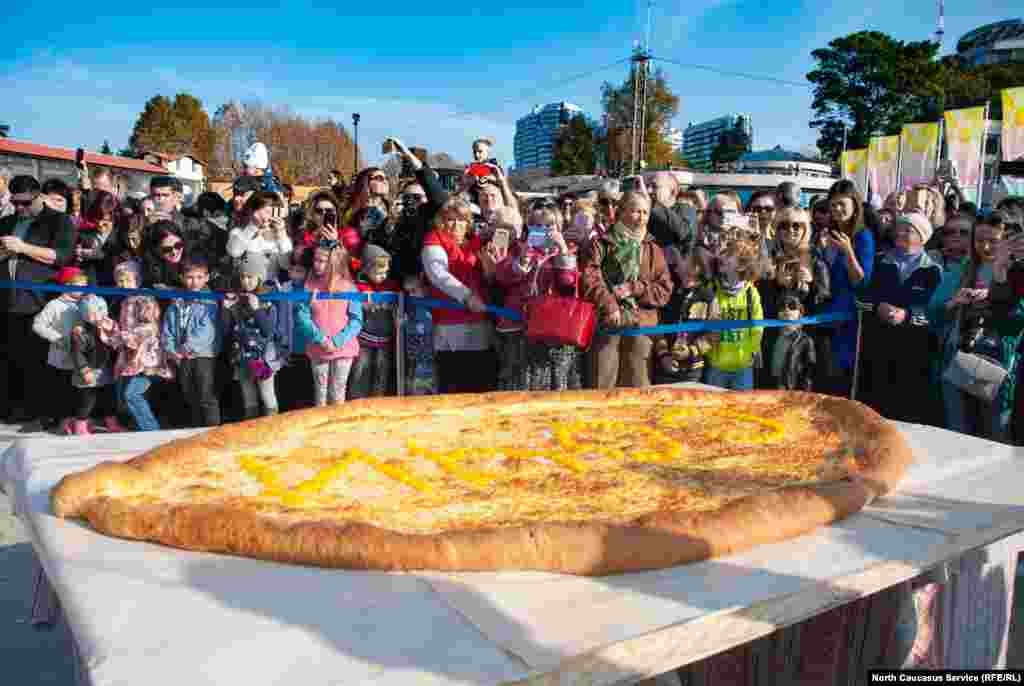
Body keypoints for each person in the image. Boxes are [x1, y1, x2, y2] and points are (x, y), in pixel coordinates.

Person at [0, 175, 77, 424]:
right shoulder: (6, 221)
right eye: (15, 202)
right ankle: (14, 409)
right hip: (8, 300)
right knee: (11, 359)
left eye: (25, 203)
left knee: (40, 361)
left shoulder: (59, 221)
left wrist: (23, 247)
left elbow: (62, 256)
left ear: (39, 197)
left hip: (40, 302)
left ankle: (45, 412)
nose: (20, 208)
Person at [580, 191, 673, 389]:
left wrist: (635, 288)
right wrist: (610, 305)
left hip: (641, 325)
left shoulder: (653, 249)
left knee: (637, 389)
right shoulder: (601, 244)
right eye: (636, 211)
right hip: (607, 323)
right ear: (621, 212)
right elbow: (590, 280)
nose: (642, 217)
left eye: (645, 212)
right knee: (601, 386)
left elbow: (664, 290)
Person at [858, 213, 941, 423]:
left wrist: (907, 316)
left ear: (922, 237)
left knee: (905, 414)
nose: (900, 233)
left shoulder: (934, 271)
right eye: (899, 228)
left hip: (913, 354)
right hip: (876, 349)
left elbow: (935, 315)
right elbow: (858, 299)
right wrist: (876, 308)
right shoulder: (878, 261)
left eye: (908, 230)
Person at [494, 203, 582, 392]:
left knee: (550, 382)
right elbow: (501, 276)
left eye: (549, 225)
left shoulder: (568, 249)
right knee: (517, 381)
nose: (543, 230)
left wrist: (563, 251)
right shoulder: (517, 247)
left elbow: (568, 284)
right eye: (536, 225)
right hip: (518, 325)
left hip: (551, 328)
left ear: (559, 227)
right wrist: (523, 261)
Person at [935, 212, 1007, 437]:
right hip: (960, 355)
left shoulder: (1014, 272)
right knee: (957, 428)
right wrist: (956, 301)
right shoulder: (964, 268)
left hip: (998, 361)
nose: (985, 247)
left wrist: (996, 296)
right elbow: (934, 310)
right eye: (979, 240)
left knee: (993, 433)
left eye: (993, 241)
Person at [421, 197, 496, 394]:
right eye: (450, 219)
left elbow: (489, 278)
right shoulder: (434, 240)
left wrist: (490, 267)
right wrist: (467, 296)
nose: (456, 224)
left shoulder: (476, 244)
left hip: (481, 324)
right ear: (441, 221)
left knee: (482, 388)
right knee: (454, 387)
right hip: (451, 325)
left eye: (461, 219)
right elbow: (438, 274)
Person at [106, 259, 174, 431]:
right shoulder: (124, 301)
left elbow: (149, 327)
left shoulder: (143, 299)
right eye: (120, 280)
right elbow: (122, 330)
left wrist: (127, 336)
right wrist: (112, 331)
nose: (124, 284)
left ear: (137, 279)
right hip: (131, 355)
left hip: (147, 355)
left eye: (128, 280)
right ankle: (141, 425)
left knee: (132, 394)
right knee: (128, 394)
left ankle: (151, 429)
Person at [294, 243, 363, 406]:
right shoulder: (309, 286)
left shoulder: (349, 287)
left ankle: (338, 423)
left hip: (343, 349)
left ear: (334, 263)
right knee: (321, 393)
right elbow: (302, 316)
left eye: (322, 261)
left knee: (337, 393)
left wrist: (337, 341)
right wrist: (321, 339)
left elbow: (356, 320)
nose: (316, 264)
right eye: (315, 260)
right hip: (318, 348)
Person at [222, 251, 289, 419]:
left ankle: (272, 427)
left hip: (262, 358)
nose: (246, 281)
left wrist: (257, 309)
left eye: (250, 277)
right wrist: (226, 309)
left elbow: (268, 330)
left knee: (267, 395)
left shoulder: (268, 300)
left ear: (260, 277)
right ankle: (250, 426)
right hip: (241, 357)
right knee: (248, 397)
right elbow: (227, 328)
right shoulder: (237, 298)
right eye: (243, 277)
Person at [823, 187, 874, 397]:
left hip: (848, 319)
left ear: (854, 206)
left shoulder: (863, 236)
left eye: (842, 204)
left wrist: (848, 251)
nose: (837, 209)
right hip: (825, 313)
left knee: (841, 378)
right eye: (833, 204)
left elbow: (861, 281)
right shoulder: (828, 232)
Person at [160, 254, 222, 427]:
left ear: (206, 277)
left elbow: (207, 330)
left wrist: (186, 348)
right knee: (189, 394)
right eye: (190, 277)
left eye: (199, 277)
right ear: (182, 277)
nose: (194, 282)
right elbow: (168, 327)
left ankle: (212, 429)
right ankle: (196, 429)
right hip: (182, 356)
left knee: (206, 395)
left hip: (203, 355)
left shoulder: (209, 300)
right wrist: (172, 349)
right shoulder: (177, 302)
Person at [703, 237, 765, 391]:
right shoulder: (712, 288)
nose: (722, 257)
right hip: (716, 365)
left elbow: (758, 326)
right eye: (723, 253)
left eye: (729, 254)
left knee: (742, 406)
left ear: (742, 264)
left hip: (742, 367)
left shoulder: (751, 293)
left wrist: (750, 352)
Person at [31, 267, 88, 433]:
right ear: (67, 285)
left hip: (83, 357)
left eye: (85, 285)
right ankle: (62, 421)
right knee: (63, 390)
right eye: (79, 285)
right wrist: (57, 338)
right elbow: (38, 324)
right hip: (61, 356)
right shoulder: (54, 305)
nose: (83, 289)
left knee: (81, 391)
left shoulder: (85, 303)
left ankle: (79, 420)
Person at [653, 250, 716, 386]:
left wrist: (691, 351)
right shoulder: (669, 292)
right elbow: (658, 325)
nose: (678, 261)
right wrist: (663, 355)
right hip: (664, 368)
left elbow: (713, 335)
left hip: (692, 371)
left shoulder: (708, 297)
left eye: (684, 259)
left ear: (696, 267)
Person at [349, 244, 401, 399]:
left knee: (381, 372)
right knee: (360, 371)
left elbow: (399, 303)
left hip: (385, 338)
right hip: (365, 338)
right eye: (378, 273)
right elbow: (356, 303)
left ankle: (378, 402)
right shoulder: (360, 286)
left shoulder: (391, 285)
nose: (383, 276)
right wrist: (366, 303)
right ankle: (357, 401)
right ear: (366, 269)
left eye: (385, 272)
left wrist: (393, 305)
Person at [68, 295, 123, 435]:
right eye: (91, 313)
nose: (96, 316)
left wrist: (111, 331)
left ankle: (112, 423)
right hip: (89, 371)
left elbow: (115, 344)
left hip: (105, 370)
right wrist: (84, 370)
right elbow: (76, 353)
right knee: (87, 401)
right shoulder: (81, 331)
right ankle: (80, 425)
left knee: (109, 399)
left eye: (99, 312)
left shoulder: (108, 326)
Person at [226, 191, 292, 282]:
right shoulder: (239, 232)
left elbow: (286, 264)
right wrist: (253, 226)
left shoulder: (279, 235)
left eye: (269, 212)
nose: (265, 216)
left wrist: (281, 234)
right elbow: (234, 252)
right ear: (251, 211)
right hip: (244, 285)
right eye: (262, 211)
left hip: (269, 286)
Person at [766, 294, 817, 391]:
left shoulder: (806, 341)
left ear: (800, 313)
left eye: (792, 306)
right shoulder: (769, 337)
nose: (786, 310)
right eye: (782, 307)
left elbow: (809, 375)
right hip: (769, 391)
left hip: (792, 392)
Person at [74, 190, 119, 286]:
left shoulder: (119, 236)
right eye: (98, 219)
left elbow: (109, 254)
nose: (100, 224)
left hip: (110, 281)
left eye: (106, 221)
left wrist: (87, 253)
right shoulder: (84, 233)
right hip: (89, 281)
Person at [647, 171, 692, 250]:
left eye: (654, 186)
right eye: (647, 186)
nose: (649, 190)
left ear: (672, 191)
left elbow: (685, 234)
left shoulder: (685, 209)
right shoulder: (649, 211)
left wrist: (655, 206)